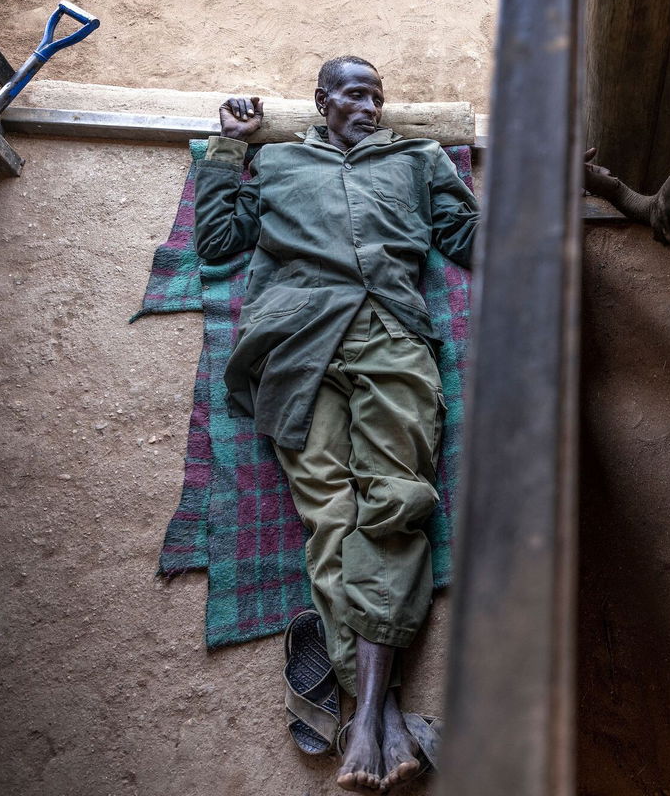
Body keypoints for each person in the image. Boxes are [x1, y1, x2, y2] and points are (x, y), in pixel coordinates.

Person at [193, 55, 479, 792]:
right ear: (322, 102)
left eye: (378, 96)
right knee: (329, 512)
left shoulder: (416, 160)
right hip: (294, 340)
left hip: (392, 334)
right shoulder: (281, 162)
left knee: (397, 503)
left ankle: (366, 715)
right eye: (355, 93)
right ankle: (383, 711)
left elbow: (468, 236)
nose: (371, 106)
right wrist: (229, 147)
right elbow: (218, 243)